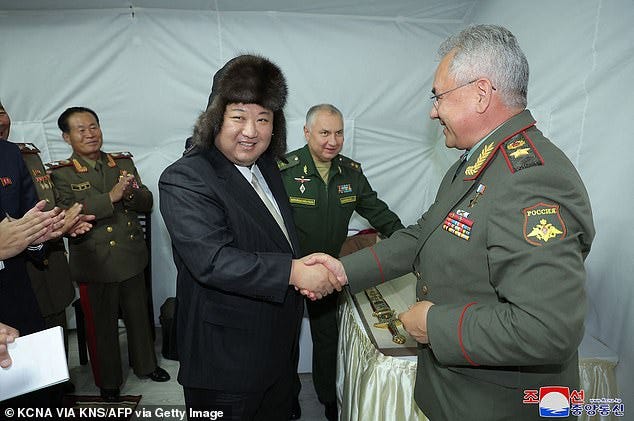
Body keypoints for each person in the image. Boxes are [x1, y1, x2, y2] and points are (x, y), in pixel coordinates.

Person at [306, 24, 595, 420]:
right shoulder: (476, 163)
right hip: (456, 395)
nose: (432, 109)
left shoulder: (530, 180)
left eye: (438, 96)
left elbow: (548, 327)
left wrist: (434, 324)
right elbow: (424, 234)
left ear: (480, 93)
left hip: (499, 406)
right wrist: (341, 270)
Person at [159, 54, 344, 420]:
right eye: (239, 117)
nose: (251, 131)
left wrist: (302, 262)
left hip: (276, 355)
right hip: (226, 364)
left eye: (263, 119)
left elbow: (276, 239)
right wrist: (294, 273)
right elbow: (213, 261)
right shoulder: (186, 177)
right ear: (215, 119)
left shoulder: (267, 167)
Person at [279, 103, 404, 420]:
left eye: (338, 133)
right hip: (288, 272)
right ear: (307, 133)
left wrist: (407, 242)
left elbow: (379, 213)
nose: (332, 140)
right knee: (284, 341)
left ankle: (327, 400)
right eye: (324, 133)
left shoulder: (350, 173)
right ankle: (287, 395)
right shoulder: (284, 171)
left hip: (328, 275)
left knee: (326, 340)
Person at [49, 106, 170, 402]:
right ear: (67, 137)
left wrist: (129, 193)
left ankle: (146, 365)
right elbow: (64, 213)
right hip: (95, 261)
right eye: (81, 129)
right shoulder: (61, 174)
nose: (90, 134)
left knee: (139, 317)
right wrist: (110, 197)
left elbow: (146, 202)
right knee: (101, 326)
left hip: (130, 256)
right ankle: (109, 381)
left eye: (94, 127)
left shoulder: (122, 163)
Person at [0, 101, 76, 387]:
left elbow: (27, 216)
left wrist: (37, 236)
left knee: (32, 390)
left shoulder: (8, 153)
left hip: (16, 293)